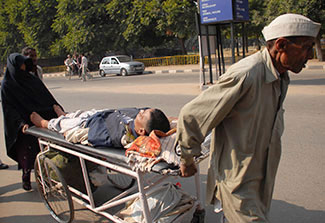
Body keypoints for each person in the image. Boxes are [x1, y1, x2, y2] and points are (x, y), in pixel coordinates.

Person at [176, 14, 321, 222]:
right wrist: (188, 159)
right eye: (307, 47)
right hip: (238, 185)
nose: (309, 55)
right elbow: (192, 115)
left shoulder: (281, 76)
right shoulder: (246, 74)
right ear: (281, 45)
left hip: (261, 178)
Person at [1, 53, 64, 191]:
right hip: (25, 125)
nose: (24, 67)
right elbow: (9, 108)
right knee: (27, 155)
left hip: (40, 120)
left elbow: (46, 97)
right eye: (21, 64)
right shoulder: (7, 85)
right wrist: (21, 123)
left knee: (44, 151)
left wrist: (57, 108)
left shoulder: (31, 79)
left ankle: (45, 177)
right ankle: (26, 176)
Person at [30, 106, 171, 148]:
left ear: (141, 131)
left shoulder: (120, 136)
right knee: (80, 113)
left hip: (90, 124)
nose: (140, 112)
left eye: (142, 115)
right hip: (101, 114)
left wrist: (78, 134)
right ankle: (65, 114)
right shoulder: (141, 120)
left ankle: (45, 123)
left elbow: (94, 137)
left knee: (65, 123)